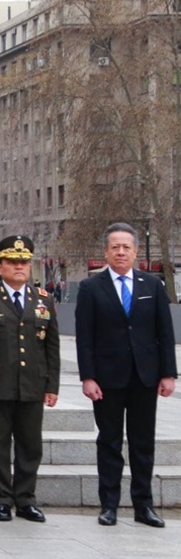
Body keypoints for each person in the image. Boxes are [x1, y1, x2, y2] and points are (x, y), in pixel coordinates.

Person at [76, 222, 176, 528]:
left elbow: (164, 332)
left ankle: (143, 506)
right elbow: (85, 337)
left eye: (126, 247)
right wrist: (88, 377)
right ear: (106, 252)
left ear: (135, 252)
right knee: (109, 441)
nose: (121, 252)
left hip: (145, 377)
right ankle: (109, 505)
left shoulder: (152, 286)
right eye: (115, 247)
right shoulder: (91, 288)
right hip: (107, 379)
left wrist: (168, 373)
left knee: (142, 443)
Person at [0, 235, 60, 523]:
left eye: (24, 262)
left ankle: (26, 500)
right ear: (0, 266)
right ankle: (2, 500)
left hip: (32, 384)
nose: (19, 267)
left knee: (31, 446)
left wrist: (52, 386)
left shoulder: (43, 300)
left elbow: (51, 347)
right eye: (13, 262)